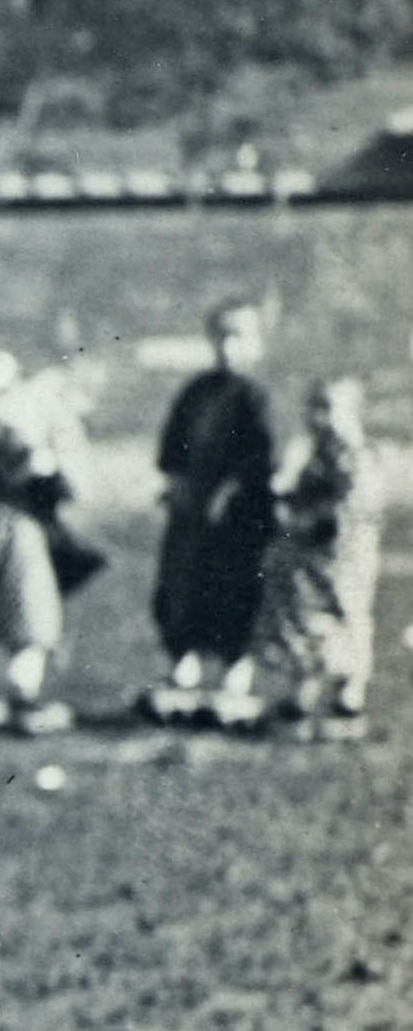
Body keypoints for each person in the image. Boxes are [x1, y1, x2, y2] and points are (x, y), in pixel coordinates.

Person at [146, 302, 279, 724]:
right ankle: (183, 667)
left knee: (235, 588)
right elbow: (172, 449)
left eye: (239, 337)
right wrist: (178, 484)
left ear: (256, 343)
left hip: (237, 518)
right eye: (221, 336)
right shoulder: (197, 392)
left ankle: (233, 672)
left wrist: (231, 493)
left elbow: (262, 458)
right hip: (193, 514)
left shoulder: (255, 398)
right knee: (182, 584)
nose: (228, 347)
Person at [0, 350, 93, 738]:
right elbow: (49, 484)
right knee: (28, 612)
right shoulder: (6, 435)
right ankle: (15, 697)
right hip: (13, 529)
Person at [247, 377, 381, 739]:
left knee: (344, 618)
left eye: (328, 408)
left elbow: (352, 507)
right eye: (314, 407)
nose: (319, 417)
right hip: (309, 557)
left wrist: (309, 518)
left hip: (342, 557)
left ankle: (348, 698)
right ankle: (302, 696)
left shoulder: (355, 455)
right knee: (304, 622)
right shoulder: (315, 453)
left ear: (351, 412)